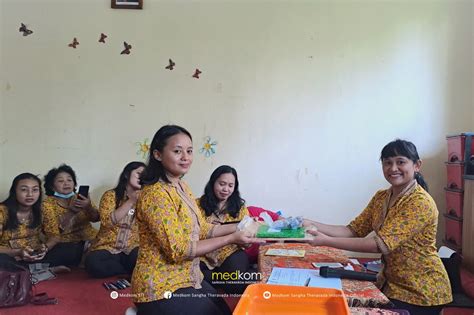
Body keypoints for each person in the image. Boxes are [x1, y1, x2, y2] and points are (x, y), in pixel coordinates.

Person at [305, 139, 452, 315]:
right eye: (387, 162)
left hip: (421, 291)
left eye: (401, 162)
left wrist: (326, 241)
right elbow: (353, 230)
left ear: (417, 165)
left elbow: (380, 245)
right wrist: (312, 224)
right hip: (391, 284)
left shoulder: (420, 202)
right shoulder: (382, 197)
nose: (393, 168)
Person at [131, 125, 259, 315]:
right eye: (177, 151)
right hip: (159, 286)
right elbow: (179, 250)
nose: (186, 157)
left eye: (189, 151)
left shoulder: (182, 186)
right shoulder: (155, 194)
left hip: (188, 276)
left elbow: (203, 228)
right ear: (157, 154)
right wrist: (232, 239)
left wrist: (242, 227)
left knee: (228, 311)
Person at [197, 165, 252, 294]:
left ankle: (216, 280)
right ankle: (218, 279)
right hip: (203, 254)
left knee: (236, 283)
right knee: (189, 274)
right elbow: (192, 234)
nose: (226, 189)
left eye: (230, 185)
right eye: (222, 184)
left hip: (230, 251)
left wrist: (246, 240)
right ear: (213, 183)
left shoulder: (240, 208)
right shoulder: (197, 205)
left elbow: (248, 238)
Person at [85, 161, 145, 278]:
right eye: (139, 173)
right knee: (93, 263)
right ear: (127, 174)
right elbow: (107, 222)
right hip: (108, 247)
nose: (142, 178)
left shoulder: (146, 199)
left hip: (131, 247)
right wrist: (131, 200)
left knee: (143, 258)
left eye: (145, 176)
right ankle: (127, 270)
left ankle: (125, 268)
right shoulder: (110, 195)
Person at [42, 164, 99, 267]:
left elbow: (96, 218)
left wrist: (89, 206)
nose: (66, 183)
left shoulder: (80, 198)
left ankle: (85, 258)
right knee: (60, 255)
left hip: (89, 239)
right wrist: (72, 212)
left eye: (69, 180)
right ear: (51, 186)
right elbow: (54, 233)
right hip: (65, 244)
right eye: (60, 181)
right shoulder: (47, 204)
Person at [0, 173, 52, 264]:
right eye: (24, 190)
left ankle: (30, 272)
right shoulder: (2, 211)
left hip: (35, 254)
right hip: (9, 255)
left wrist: (45, 248)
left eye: (35, 190)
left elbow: (55, 236)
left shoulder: (43, 209)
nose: (30, 194)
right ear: (14, 191)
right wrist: (18, 252)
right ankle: (40, 271)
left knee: (66, 249)